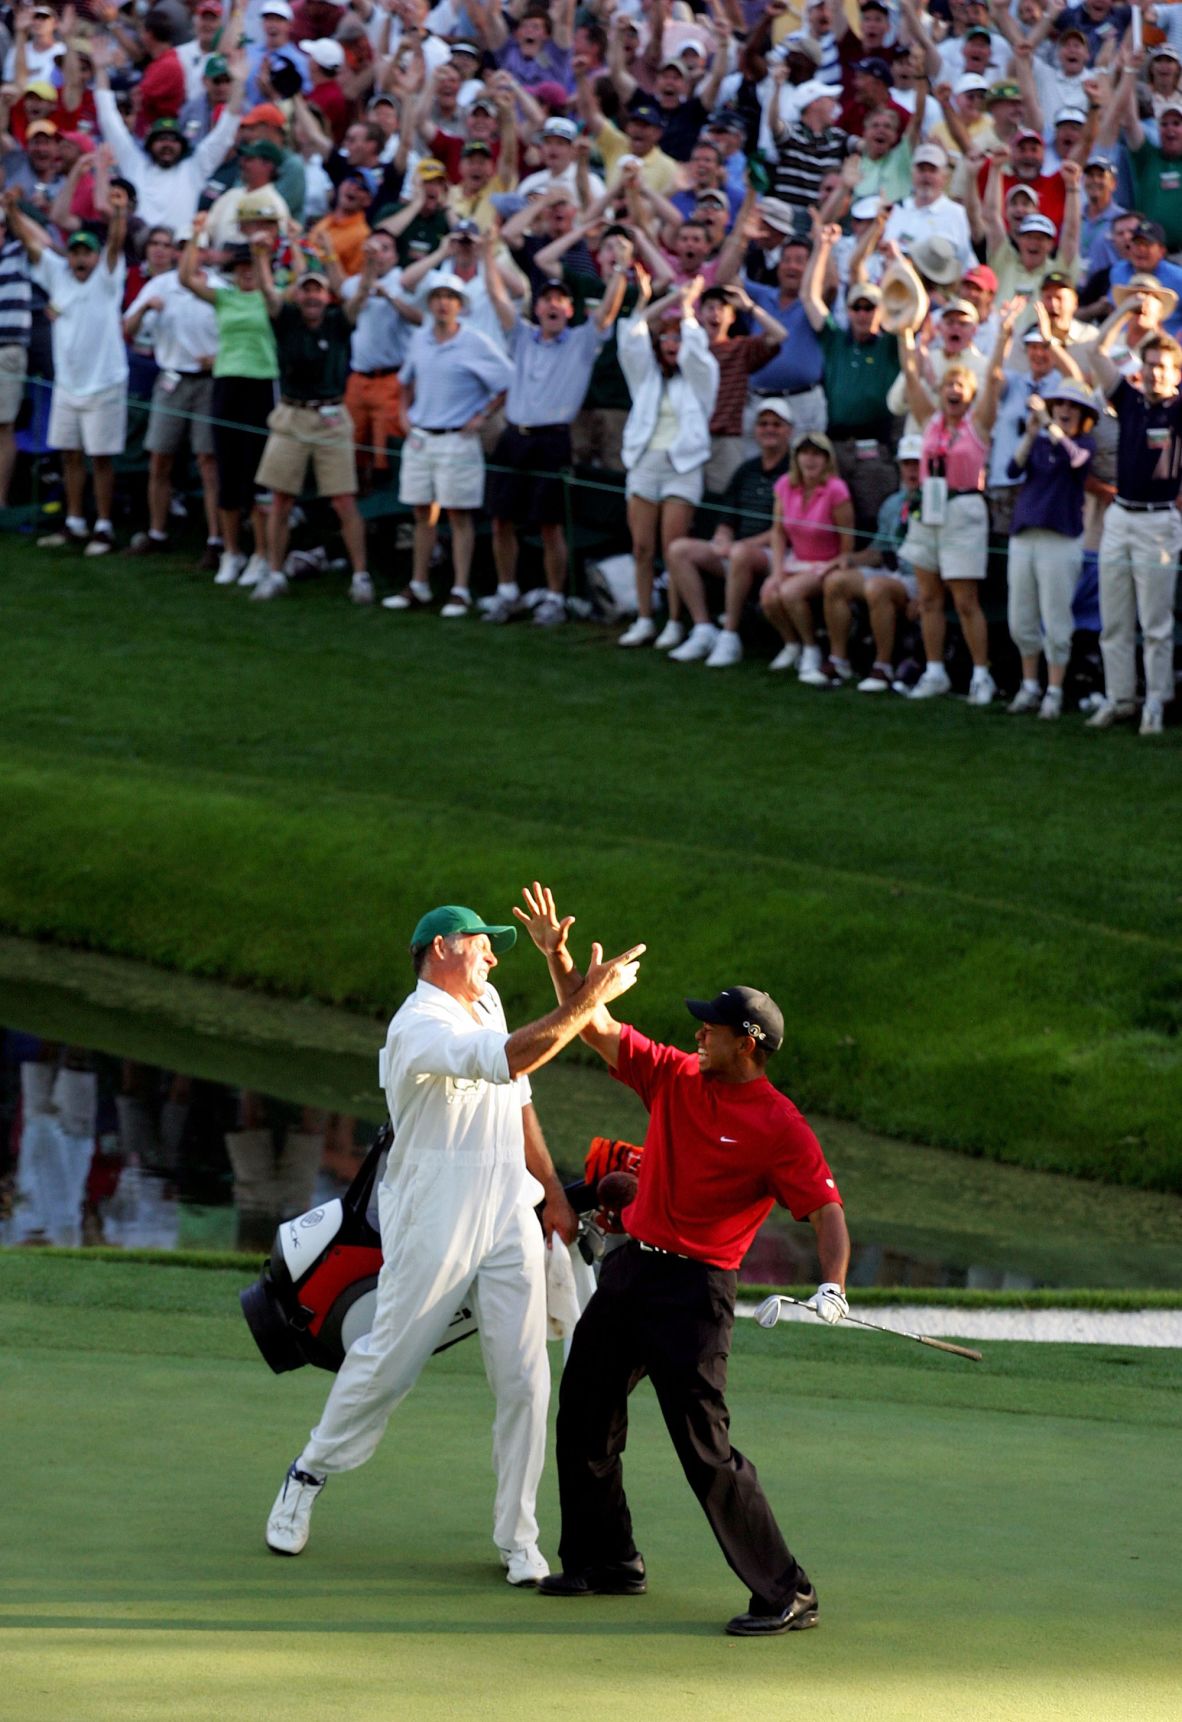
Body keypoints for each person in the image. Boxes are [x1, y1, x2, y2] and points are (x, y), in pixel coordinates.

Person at [263, 898, 645, 1584]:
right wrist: (590, 995)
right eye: (482, 944)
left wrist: (554, 1192)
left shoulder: (488, 1000)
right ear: (441, 947)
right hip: (433, 1217)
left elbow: (519, 1091)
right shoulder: (416, 1026)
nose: (494, 957)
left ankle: (518, 1539)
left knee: (527, 1379)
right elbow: (514, 1056)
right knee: (389, 1363)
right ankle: (308, 1474)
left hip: (508, 1214)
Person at [514, 884, 850, 1637]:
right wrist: (559, 956)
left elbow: (826, 1210)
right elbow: (594, 1025)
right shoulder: (673, 1075)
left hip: (695, 1293)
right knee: (585, 1409)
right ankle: (609, 1561)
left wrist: (831, 1285)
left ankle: (787, 1591)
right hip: (634, 1270)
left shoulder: (778, 1125)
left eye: (714, 1030)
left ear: (749, 1044)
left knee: (705, 1448)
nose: (698, 1035)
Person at [482, 232, 628, 627]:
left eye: (560, 300)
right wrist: (487, 256)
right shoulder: (523, 337)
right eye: (547, 299)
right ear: (538, 305)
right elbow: (498, 300)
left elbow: (609, 312)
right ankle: (507, 591)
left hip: (552, 439)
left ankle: (553, 597)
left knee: (550, 525)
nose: (553, 305)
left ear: (569, 309)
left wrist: (621, 271)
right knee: (501, 519)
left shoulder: (582, 342)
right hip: (515, 436)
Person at [893, 301, 1017, 705]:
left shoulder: (977, 426)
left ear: (970, 395)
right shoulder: (930, 420)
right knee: (929, 598)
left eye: (960, 387)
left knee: (965, 600)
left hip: (963, 510)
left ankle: (981, 675)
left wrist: (1003, 335)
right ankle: (934, 671)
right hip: (928, 508)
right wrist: (904, 333)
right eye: (948, 385)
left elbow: (995, 378)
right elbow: (911, 376)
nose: (952, 391)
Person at [5, 186, 129, 557]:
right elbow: (31, 244)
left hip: (105, 383)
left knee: (101, 459)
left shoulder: (107, 279)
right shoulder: (57, 274)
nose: (80, 259)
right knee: (70, 455)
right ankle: (75, 522)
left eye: (86, 252)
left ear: (95, 256)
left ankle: (103, 526)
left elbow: (117, 243)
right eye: (75, 252)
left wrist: (119, 214)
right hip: (68, 385)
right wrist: (11, 210)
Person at [248, 247, 375, 606]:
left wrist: (367, 266)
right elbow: (267, 291)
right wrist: (260, 257)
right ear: (299, 294)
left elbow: (362, 294)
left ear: (327, 295)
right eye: (306, 290)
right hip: (291, 414)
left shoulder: (338, 321)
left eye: (318, 290)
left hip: (331, 416)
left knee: (344, 500)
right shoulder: (286, 318)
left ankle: (361, 575)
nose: (312, 297)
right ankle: (274, 573)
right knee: (280, 498)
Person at [1076, 313, 1182, 736]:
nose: (1155, 373)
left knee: (1155, 623)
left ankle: (1155, 701)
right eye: (1150, 364)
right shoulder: (1130, 399)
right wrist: (1126, 311)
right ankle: (1119, 698)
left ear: (1175, 372)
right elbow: (1096, 350)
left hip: (1159, 522)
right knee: (1115, 619)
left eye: (1164, 366)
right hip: (1120, 515)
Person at [384, 274, 513, 618]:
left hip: (458, 438)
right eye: (438, 296)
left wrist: (481, 416)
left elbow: (507, 381)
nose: (443, 303)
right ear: (429, 302)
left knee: (458, 515)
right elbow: (405, 381)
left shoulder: (475, 341)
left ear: (459, 304)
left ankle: (459, 590)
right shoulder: (419, 340)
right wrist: (404, 414)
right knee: (421, 512)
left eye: (450, 297)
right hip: (422, 438)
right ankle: (419, 584)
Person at [616, 276, 720, 650]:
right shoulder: (645, 378)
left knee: (672, 547)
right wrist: (668, 299)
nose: (673, 345)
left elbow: (697, 353)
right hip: (645, 463)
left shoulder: (699, 379)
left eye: (678, 338)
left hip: (683, 466)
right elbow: (631, 334)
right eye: (667, 339)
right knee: (642, 547)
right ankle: (644, 618)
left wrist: (688, 310)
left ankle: (675, 622)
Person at [179, 216, 279, 587]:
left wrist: (264, 256)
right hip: (227, 383)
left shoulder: (270, 297)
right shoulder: (225, 297)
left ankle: (261, 555)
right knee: (227, 469)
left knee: (257, 471)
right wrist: (195, 235)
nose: (246, 273)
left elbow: (285, 287)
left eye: (250, 267)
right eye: (240, 268)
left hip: (260, 384)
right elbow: (186, 278)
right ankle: (232, 552)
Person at [664, 398, 796, 666]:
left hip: (777, 554)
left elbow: (785, 530)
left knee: (739, 553)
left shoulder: (794, 472)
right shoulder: (746, 470)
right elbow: (727, 517)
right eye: (763, 424)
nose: (769, 429)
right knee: (679, 550)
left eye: (776, 425)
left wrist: (739, 544)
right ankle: (703, 629)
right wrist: (721, 538)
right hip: (738, 551)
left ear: (788, 431)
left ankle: (730, 635)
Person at [122, 228, 222, 565]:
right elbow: (128, 328)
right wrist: (145, 309)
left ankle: (215, 539)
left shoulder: (220, 288)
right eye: (185, 249)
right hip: (172, 378)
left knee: (208, 462)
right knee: (159, 458)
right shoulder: (159, 286)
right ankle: (157, 532)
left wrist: (219, 359)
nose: (191, 254)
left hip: (208, 381)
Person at [1004, 381, 1097, 720]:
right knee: (1020, 619)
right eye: (1059, 404)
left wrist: (1049, 426)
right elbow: (1012, 470)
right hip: (1025, 536)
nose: (1065, 409)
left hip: (1060, 540)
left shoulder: (1084, 443)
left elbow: (1078, 462)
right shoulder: (1040, 441)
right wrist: (1032, 434)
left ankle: (1054, 691)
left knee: (1057, 620)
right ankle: (1029, 686)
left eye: (1073, 406)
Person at [815, 433, 925, 693]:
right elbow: (879, 550)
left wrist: (928, 594)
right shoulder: (892, 503)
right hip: (896, 572)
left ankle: (883, 666)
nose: (911, 470)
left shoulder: (937, 503)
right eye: (907, 464)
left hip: (921, 579)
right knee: (837, 581)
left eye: (917, 463)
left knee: (877, 587)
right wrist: (848, 559)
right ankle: (838, 660)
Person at [760, 430, 855, 681]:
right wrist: (778, 569)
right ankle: (792, 644)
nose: (810, 460)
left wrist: (839, 561)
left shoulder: (836, 490)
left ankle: (811, 647)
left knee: (790, 593)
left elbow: (847, 537)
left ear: (827, 459)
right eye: (805, 453)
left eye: (816, 454)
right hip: (797, 559)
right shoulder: (785, 485)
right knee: (769, 593)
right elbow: (778, 532)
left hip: (826, 563)